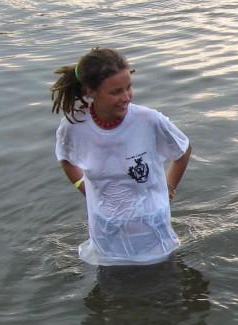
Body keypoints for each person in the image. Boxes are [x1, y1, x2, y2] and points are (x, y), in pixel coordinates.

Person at [51, 47, 192, 266]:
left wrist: (169, 187)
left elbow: (182, 150)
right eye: (116, 92)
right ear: (91, 91)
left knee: (164, 293)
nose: (126, 97)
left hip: (153, 235)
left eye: (129, 88)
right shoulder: (74, 126)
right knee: (110, 292)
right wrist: (83, 187)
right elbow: (66, 159)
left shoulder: (149, 120)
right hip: (107, 237)